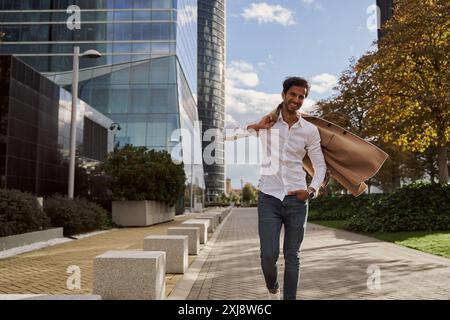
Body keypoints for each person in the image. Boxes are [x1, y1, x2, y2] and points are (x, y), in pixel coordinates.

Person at [241, 77, 327, 300]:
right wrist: (255, 127)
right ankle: (273, 288)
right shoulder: (268, 122)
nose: (296, 100)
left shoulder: (309, 130)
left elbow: (320, 166)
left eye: (301, 97)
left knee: (293, 256)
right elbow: (225, 134)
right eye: (293, 95)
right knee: (268, 256)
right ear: (283, 95)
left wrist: (311, 190)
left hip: (298, 199)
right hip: (269, 196)